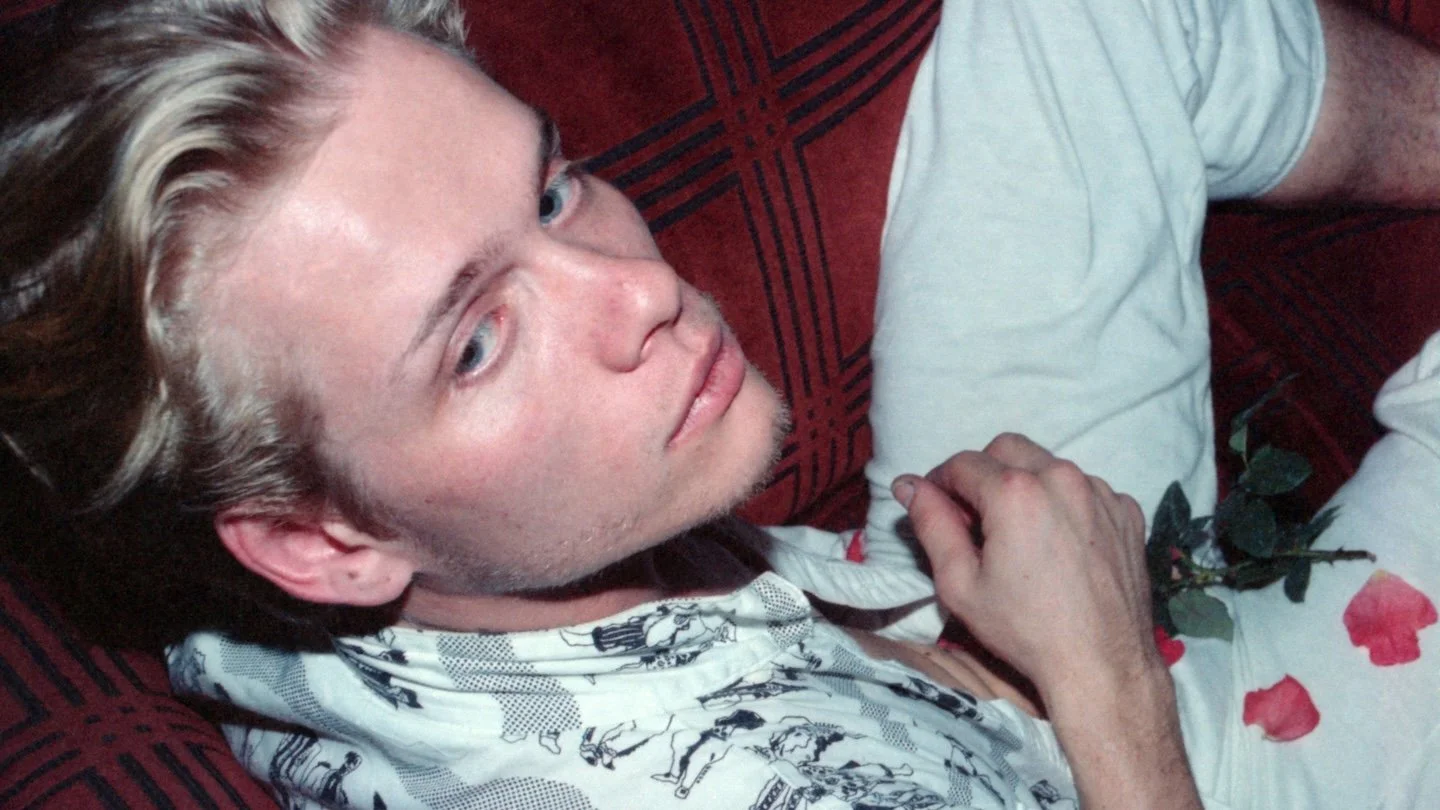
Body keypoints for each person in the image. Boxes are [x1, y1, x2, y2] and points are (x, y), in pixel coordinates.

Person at [2, 0, 1440, 808]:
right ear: (314, 550)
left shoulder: (250, 528)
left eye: (553, 186)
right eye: (479, 343)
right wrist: (1107, 694)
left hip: (909, 610)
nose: (640, 292)